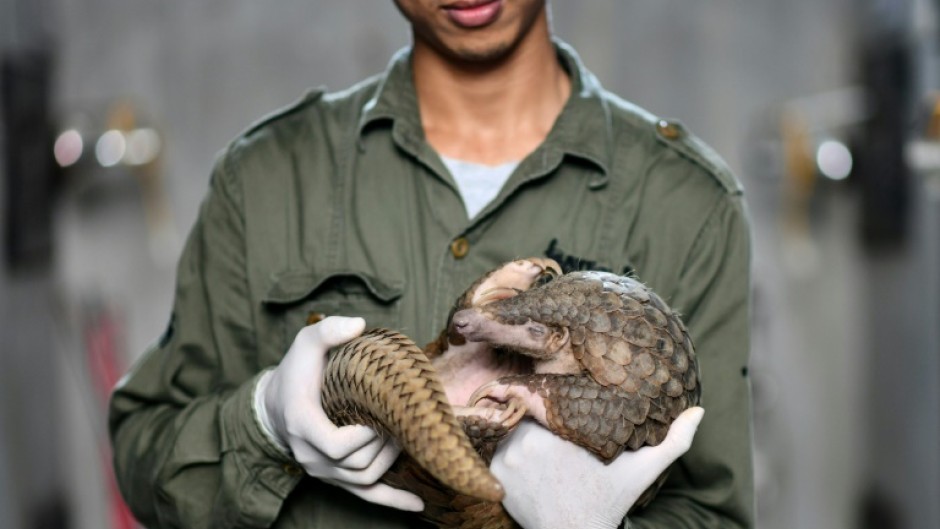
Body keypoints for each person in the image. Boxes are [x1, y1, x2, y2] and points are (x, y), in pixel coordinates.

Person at [109, 1, 754, 528]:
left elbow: (712, 512)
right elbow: (144, 451)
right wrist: (263, 422)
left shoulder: (688, 203)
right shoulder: (263, 179)